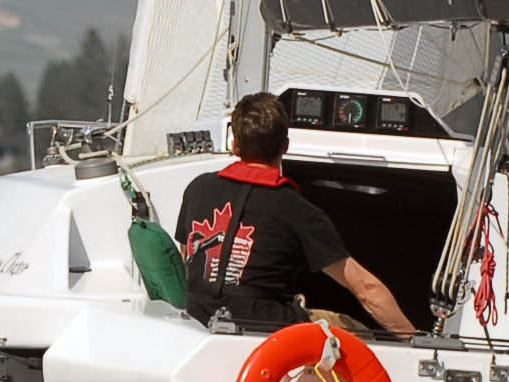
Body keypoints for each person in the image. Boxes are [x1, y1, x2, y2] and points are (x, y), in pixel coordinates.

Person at [175, 91, 417, 338]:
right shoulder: (295, 208)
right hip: (268, 330)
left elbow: (188, 256)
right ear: (286, 146)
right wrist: (415, 339)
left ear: (235, 145)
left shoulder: (197, 189)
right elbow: (365, 289)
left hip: (199, 321)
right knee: (359, 334)